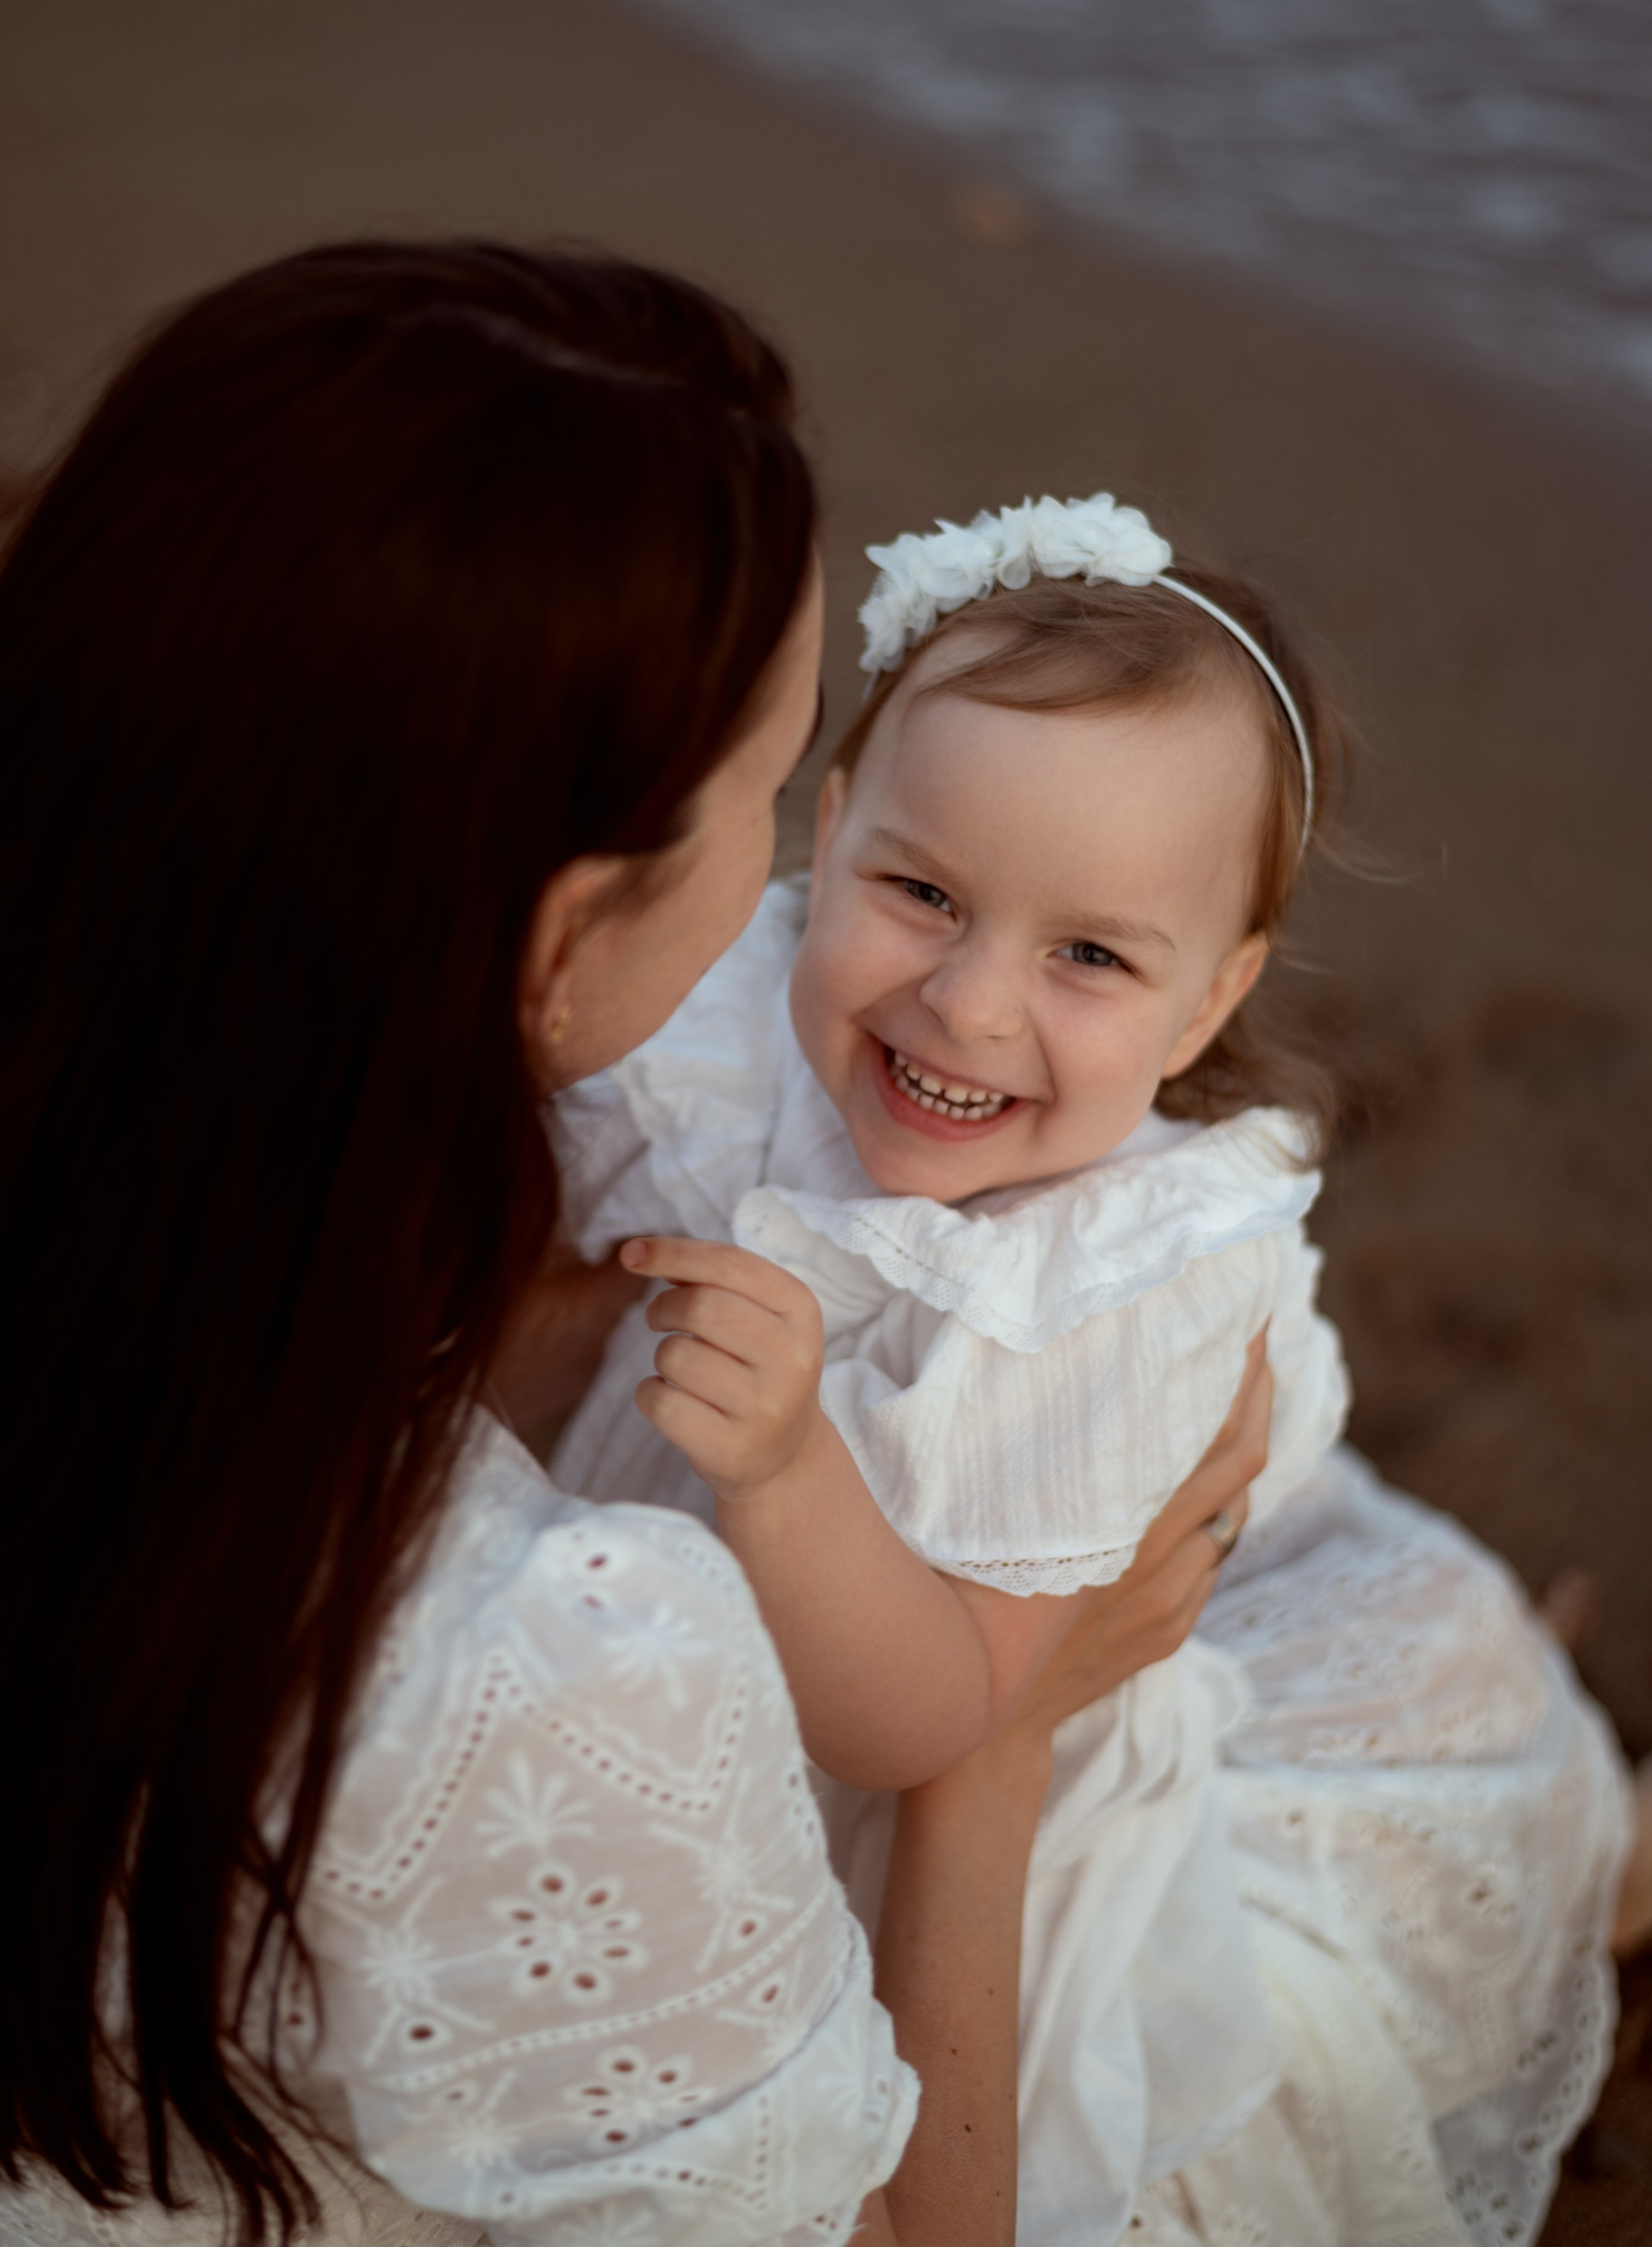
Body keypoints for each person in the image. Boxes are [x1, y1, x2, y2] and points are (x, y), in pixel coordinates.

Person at [0, 249, 1271, 2247]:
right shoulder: (556, 1668)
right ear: (562, 934)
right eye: (788, 811)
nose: (948, 992)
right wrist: (1002, 1750)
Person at [548, 494, 1640, 2245]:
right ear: (830, 832)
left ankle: (1601, 1861)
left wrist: (786, 1472)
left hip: (941, 1792)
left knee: (1446, 1814)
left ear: (1209, 1005)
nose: (969, 1005)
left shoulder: (1117, 1285)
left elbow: (930, 1719)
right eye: (920, 890)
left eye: (1089, 956)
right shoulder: (741, 1012)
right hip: (668, 1628)